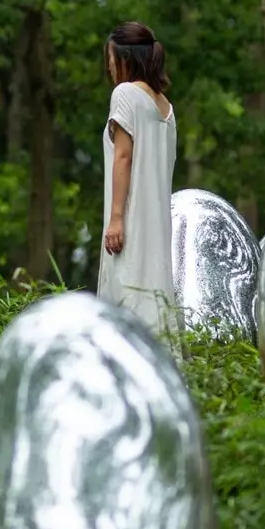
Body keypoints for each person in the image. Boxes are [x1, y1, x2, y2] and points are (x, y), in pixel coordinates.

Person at [97, 21, 181, 340]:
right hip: (156, 230)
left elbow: (123, 157)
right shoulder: (165, 107)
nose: (108, 65)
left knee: (125, 305)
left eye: (110, 57)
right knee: (154, 305)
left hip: (130, 226)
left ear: (124, 58)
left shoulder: (125, 94)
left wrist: (117, 219)